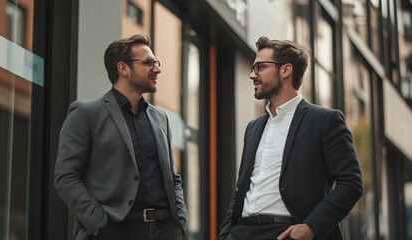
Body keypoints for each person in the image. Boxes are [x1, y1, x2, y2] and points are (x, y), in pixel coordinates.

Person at [218, 36, 363, 240]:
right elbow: (242, 188)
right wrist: (226, 233)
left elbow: (351, 183)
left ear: (285, 70)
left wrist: (311, 227)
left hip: (287, 233)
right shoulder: (253, 128)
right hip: (242, 232)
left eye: (260, 67)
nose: (252, 74)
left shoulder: (324, 121)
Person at [54, 34, 187, 240]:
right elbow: (66, 177)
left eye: (156, 63)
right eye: (149, 63)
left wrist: (180, 220)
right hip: (116, 231)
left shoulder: (160, 118)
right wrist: (99, 224)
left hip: (165, 231)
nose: (157, 69)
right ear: (123, 68)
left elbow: (173, 178)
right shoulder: (85, 113)